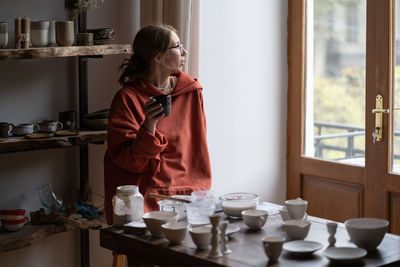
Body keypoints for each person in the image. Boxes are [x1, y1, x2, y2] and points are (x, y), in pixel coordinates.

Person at [104, 24, 212, 225]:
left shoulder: (192, 92)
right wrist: (149, 126)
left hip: (191, 195)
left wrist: (201, 194)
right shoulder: (128, 99)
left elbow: (198, 151)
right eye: (177, 46)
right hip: (147, 199)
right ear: (158, 57)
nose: (184, 51)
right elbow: (128, 162)